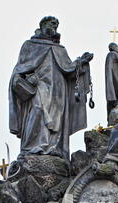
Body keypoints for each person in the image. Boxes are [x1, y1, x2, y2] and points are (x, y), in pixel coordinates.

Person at [9, 16, 93, 160]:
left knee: (57, 119)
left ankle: (54, 148)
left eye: (55, 25)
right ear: (42, 26)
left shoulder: (59, 49)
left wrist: (81, 62)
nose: (53, 27)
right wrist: (26, 79)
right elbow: (19, 70)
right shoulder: (29, 45)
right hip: (39, 86)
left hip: (58, 89)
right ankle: (31, 147)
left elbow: (69, 69)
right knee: (37, 110)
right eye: (50, 24)